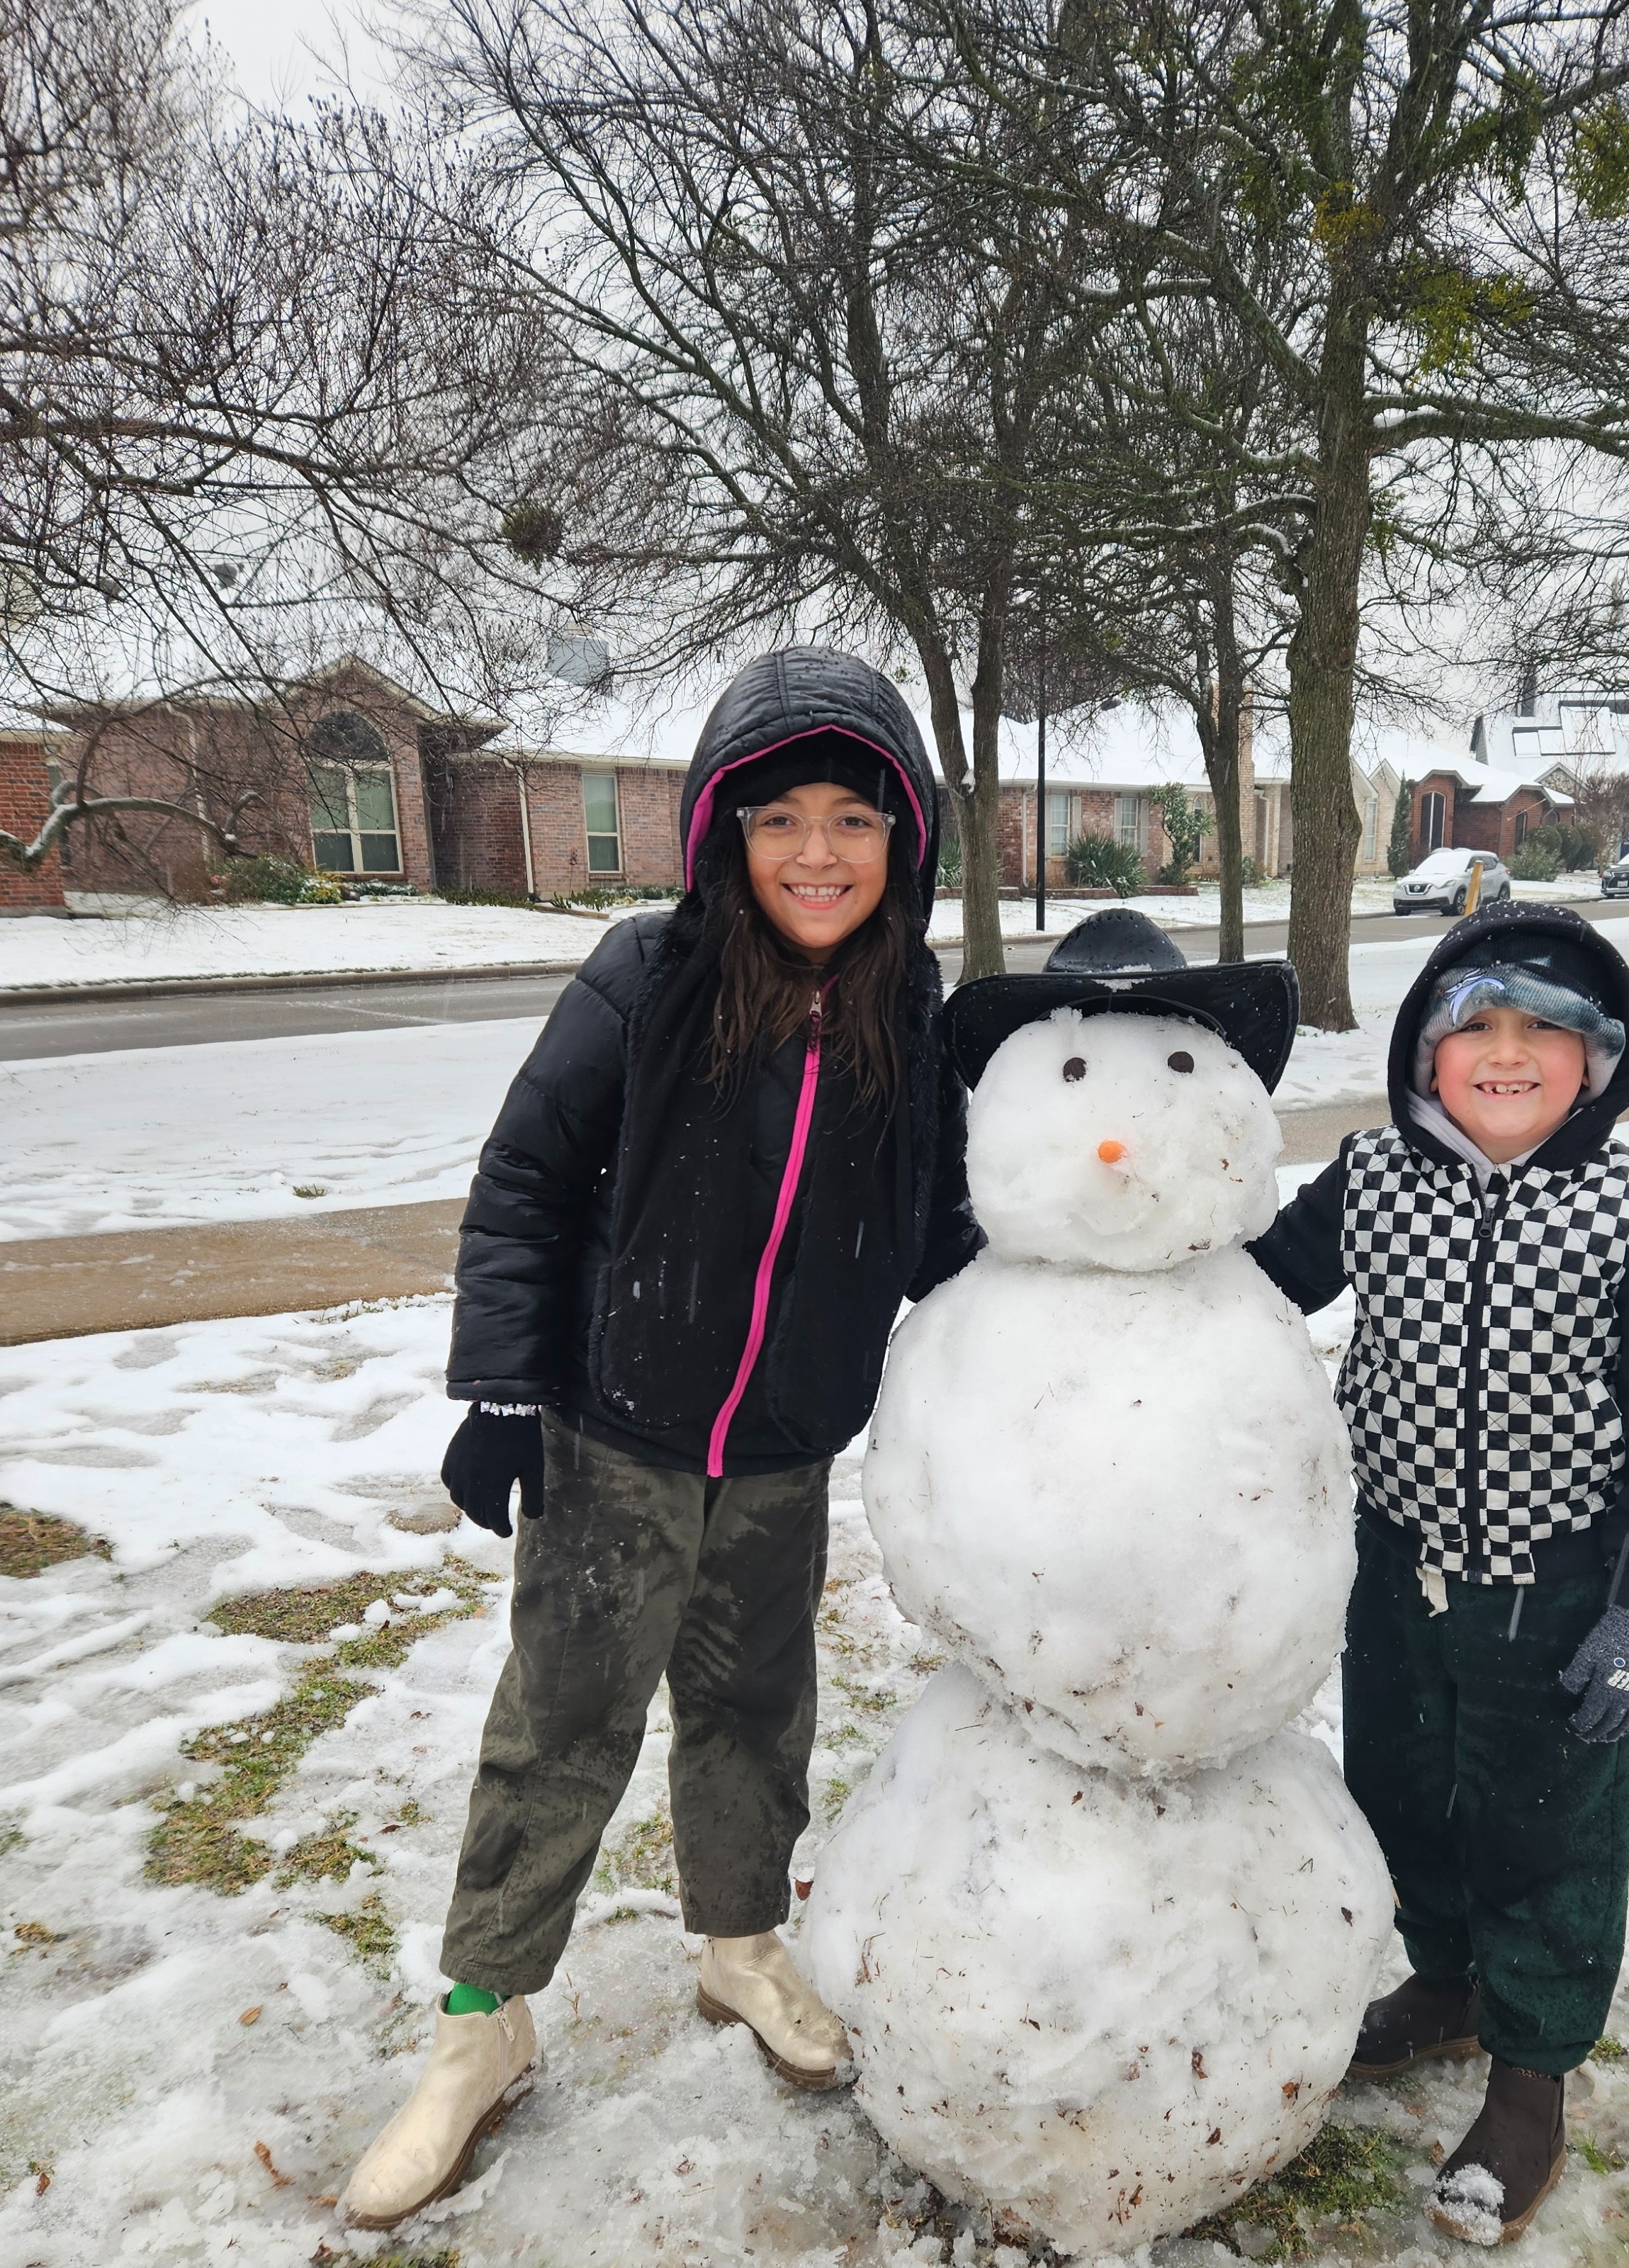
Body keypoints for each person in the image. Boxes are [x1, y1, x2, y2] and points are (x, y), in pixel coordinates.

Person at [342, 648, 979, 2231]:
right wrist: (500, 1387)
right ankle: (483, 2021)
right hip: (615, 1433)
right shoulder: (645, 977)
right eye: (778, 819)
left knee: (755, 1712)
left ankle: (739, 1940)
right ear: (720, 834)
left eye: (853, 819)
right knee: (560, 1724)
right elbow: (524, 1186)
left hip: (782, 1448)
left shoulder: (916, 1011)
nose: (816, 853)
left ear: (905, 839)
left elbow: (951, 1224)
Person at [1248, 901, 1629, 2247]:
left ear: (1597, 1060)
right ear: (1425, 1053)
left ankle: (1530, 2073)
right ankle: (1446, 1982)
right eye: (1476, 1029)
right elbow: (1261, 1283)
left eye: (1543, 1033)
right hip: (1392, 1567)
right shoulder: (1374, 1177)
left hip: (1555, 1581)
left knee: (1545, 1829)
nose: (1506, 1055)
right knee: (1399, 1788)